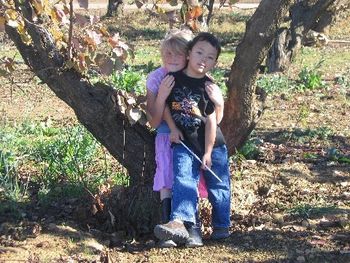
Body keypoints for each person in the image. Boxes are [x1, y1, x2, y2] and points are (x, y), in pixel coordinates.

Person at [146, 30, 224, 247]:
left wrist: (219, 103)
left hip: (193, 139)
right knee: (167, 178)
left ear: (188, 55)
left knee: (189, 180)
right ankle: (169, 229)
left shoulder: (202, 79)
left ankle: (192, 230)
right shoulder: (157, 78)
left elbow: (214, 118)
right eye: (167, 55)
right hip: (166, 135)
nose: (172, 59)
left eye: (178, 55)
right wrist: (161, 95)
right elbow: (153, 121)